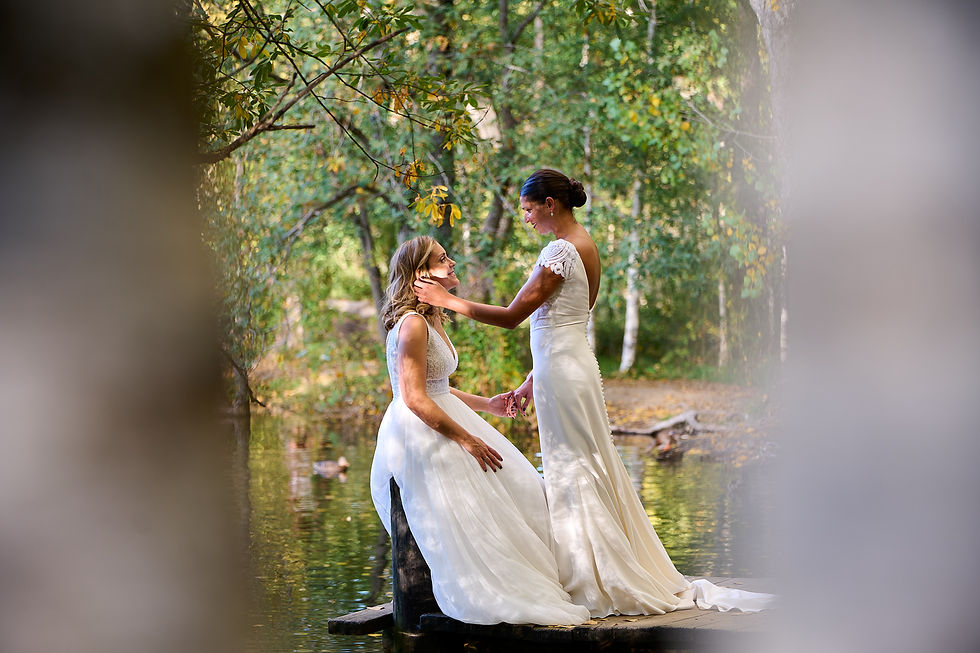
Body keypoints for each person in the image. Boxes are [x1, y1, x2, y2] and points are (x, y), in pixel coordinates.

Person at [414, 169, 773, 616]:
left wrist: (445, 301)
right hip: (566, 368)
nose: (525, 217)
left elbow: (512, 317)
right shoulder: (584, 245)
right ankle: (590, 567)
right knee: (579, 464)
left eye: (528, 209)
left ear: (550, 204)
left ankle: (593, 577)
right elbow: (563, 322)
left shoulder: (561, 251)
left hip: (565, 374)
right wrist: (533, 376)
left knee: (572, 467)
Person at [369, 235, 590, 626]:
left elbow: (437, 386)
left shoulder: (433, 318)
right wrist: (467, 440)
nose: (451, 262)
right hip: (419, 434)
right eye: (442, 259)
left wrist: (488, 405)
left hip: (446, 416)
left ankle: (546, 576)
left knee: (525, 487)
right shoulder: (412, 325)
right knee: (478, 510)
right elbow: (415, 398)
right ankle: (492, 590)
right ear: (422, 274)